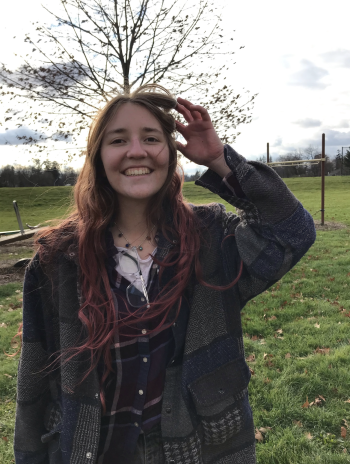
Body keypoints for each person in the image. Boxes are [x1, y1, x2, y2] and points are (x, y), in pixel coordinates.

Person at [14, 84, 316, 464]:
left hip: (200, 449)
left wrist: (219, 158)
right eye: (118, 139)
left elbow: (292, 232)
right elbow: (33, 385)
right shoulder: (57, 260)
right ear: (98, 157)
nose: (136, 151)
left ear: (171, 154)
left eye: (151, 138)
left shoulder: (211, 241)